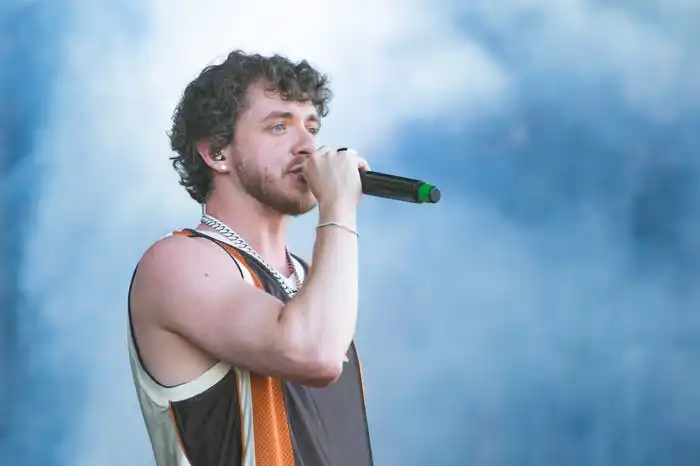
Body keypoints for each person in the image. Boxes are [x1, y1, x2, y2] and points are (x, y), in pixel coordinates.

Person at [127, 50, 374, 466]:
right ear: (216, 153)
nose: (309, 148)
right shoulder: (176, 262)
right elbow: (313, 354)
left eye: (311, 127)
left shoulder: (313, 281)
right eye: (279, 126)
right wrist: (339, 209)